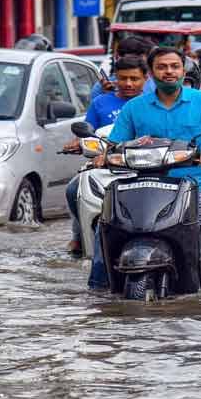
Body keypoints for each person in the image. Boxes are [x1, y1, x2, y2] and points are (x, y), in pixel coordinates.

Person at [89, 46, 201, 288]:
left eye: (174, 66)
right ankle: (98, 286)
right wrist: (103, 155)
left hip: (195, 183)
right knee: (106, 226)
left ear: (183, 71)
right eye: (162, 67)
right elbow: (115, 143)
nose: (169, 71)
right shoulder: (135, 107)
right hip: (143, 183)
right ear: (151, 73)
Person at [62, 55, 148, 255]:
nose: (128, 84)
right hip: (106, 164)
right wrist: (78, 143)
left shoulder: (152, 103)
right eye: (123, 78)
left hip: (146, 165)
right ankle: (81, 236)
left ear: (146, 78)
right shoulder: (100, 102)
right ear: (115, 77)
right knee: (74, 189)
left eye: (134, 79)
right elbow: (87, 129)